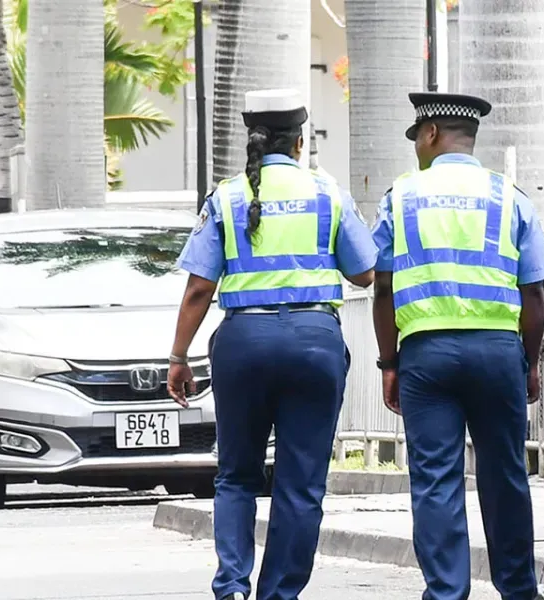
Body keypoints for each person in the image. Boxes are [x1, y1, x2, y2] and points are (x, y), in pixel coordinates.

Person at [167, 88, 377, 600]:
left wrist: (178, 356)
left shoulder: (227, 197)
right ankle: (279, 593)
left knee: (236, 475)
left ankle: (233, 587)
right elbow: (366, 273)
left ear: (252, 139)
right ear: (301, 141)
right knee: (300, 485)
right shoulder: (329, 194)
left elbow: (199, 287)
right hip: (314, 345)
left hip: (244, 344)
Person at [370, 92, 544, 600]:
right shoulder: (508, 196)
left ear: (430, 134)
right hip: (498, 354)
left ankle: (447, 592)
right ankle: (518, 589)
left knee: (435, 480)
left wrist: (389, 362)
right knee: (505, 476)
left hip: (426, 359)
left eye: (417, 139)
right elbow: (535, 292)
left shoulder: (401, 197)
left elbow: (382, 287)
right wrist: (530, 363)